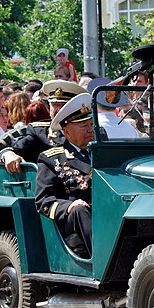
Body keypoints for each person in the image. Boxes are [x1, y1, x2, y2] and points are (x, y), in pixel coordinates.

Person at [35, 93, 94, 257]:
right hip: (74, 220)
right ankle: (102, 260)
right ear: (67, 132)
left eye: (91, 124)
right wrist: (69, 206)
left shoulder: (102, 154)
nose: (90, 130)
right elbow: (43, 201)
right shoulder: (51, 159)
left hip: (103, 211)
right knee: (80, 210)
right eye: (83, 126)